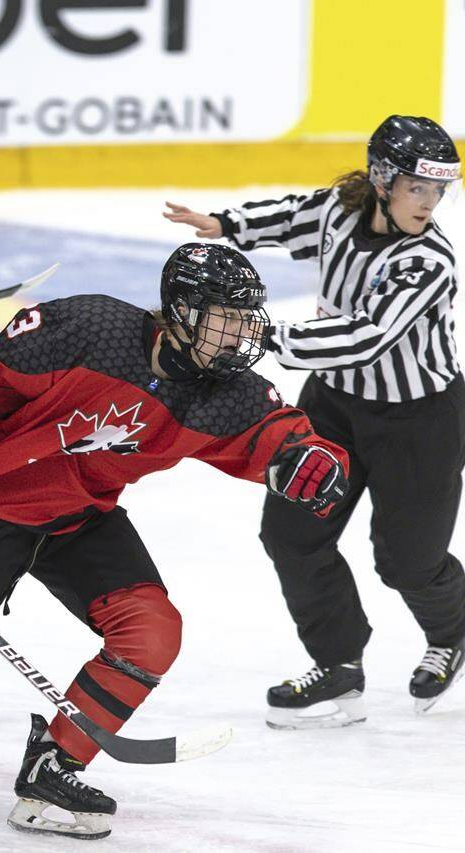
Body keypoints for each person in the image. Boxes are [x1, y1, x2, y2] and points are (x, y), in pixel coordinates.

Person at [0, 244, 349, 841]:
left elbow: (281, 439)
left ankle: (53, 770)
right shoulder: (90, 327)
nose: (239, 337)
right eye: (225, 319)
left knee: (152, 632)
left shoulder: (227, 393)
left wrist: (313, 459)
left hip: (80, 514)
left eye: (246, 322)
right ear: (179, 312)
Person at [164, 115, 465, 725]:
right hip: (331, 406)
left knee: (406, 562)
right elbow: (289, 217)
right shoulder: (338, 210)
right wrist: (223, 225)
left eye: (439, 192)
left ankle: (454, 633)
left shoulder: (429, 261)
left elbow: (364, 337)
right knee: (291, 534)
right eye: (418, 189)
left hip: (421, 421)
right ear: (382, 179)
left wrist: (261, 333)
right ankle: (338, 665)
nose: (429, 204)